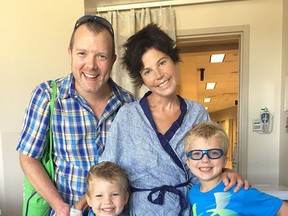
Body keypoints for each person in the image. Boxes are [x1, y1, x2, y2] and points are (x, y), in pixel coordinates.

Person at [99, 23, 249, 216]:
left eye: (162, 62)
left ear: (173, 59)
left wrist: (225, 171)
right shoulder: (128, 116)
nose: (159, 75)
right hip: (142, 210)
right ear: (141, 78)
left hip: (187, 207)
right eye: (147, 71)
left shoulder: (197, 113)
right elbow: (106, 171)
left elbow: (207, 157)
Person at [16, 15, 135, 216]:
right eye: (82, 53)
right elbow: (28, 157)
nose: (91, 65)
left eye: (101, 56)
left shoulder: (129, 104)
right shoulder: (47, 96)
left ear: (113, 59)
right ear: (70, 54)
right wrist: (59, 207)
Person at [184, 121, 288, 215]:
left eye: (214, 153)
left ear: (224, 160)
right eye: (196, 154)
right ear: (188, 162)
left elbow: (283, 209)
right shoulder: (192, 193)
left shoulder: (239, 192)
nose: (205, 160)